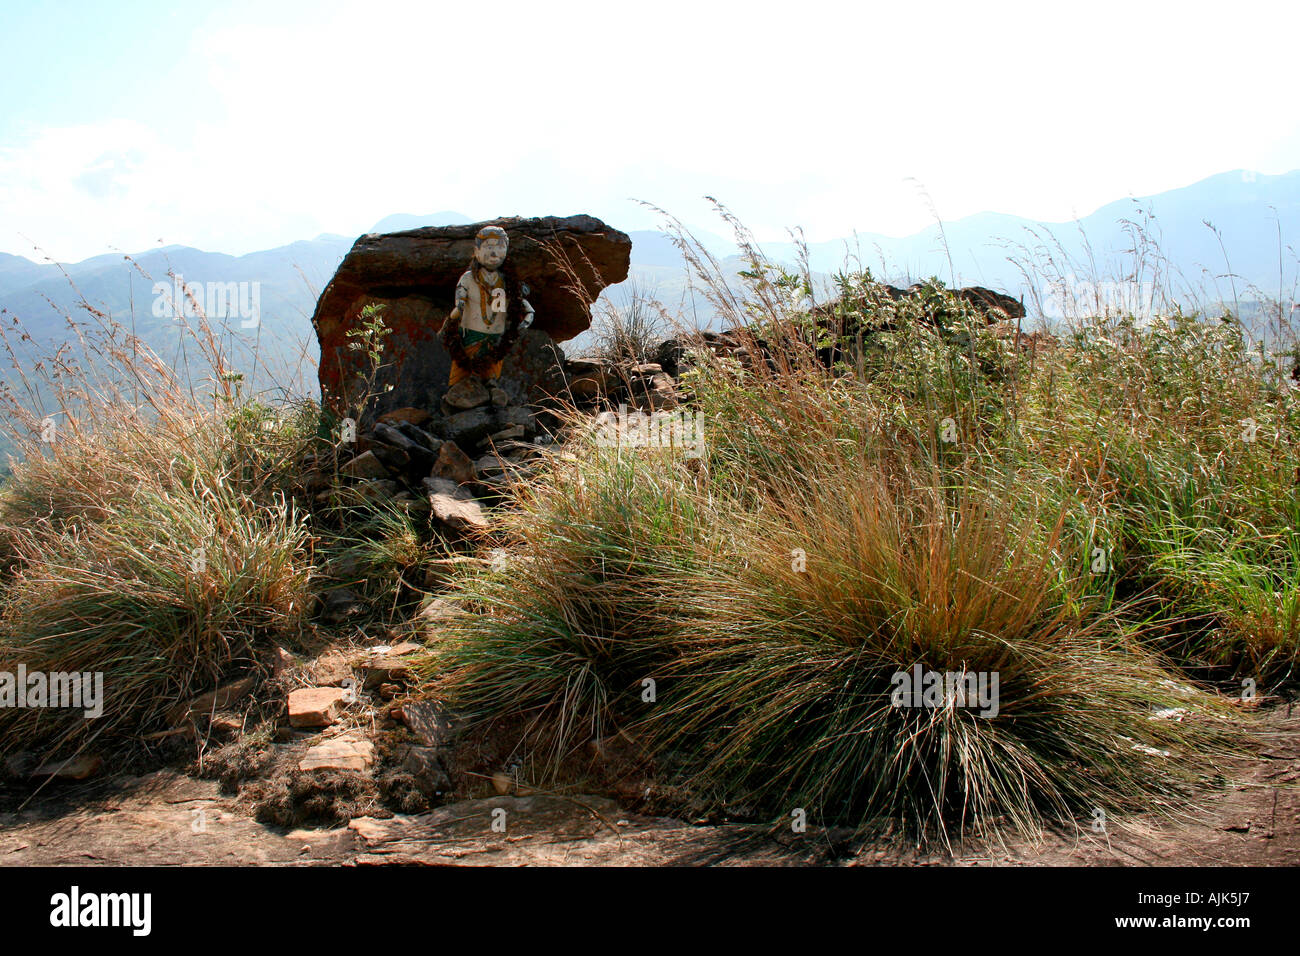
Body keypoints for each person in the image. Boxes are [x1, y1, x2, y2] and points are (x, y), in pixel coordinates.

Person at [441, 225, 533, 387]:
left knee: (491, 381)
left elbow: (518, 304)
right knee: (459, 379)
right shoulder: (469, 278)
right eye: (489, 247)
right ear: (476, 251)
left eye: (500, 247)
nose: (494, 253)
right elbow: (460, 300)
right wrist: (456, 311)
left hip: (496, 341)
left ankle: (491, 397)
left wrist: (527, 317)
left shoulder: (507, 281)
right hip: (469, 337)